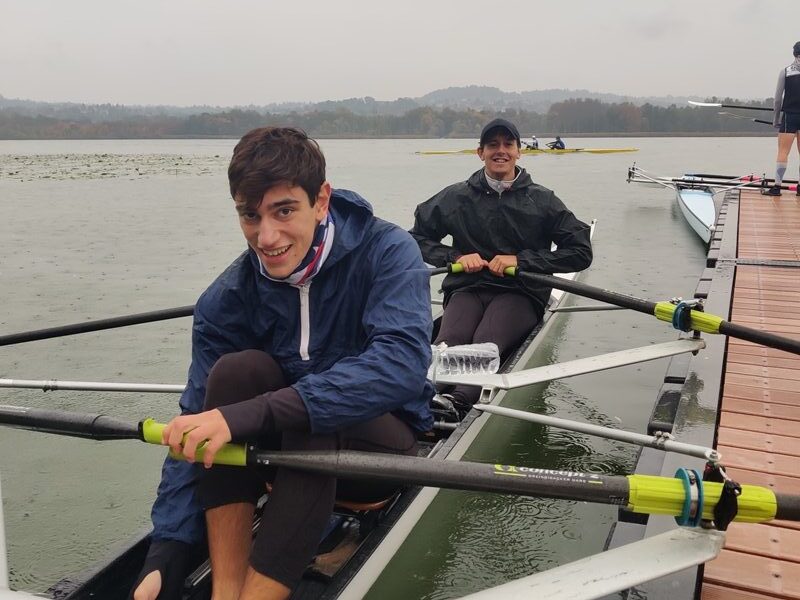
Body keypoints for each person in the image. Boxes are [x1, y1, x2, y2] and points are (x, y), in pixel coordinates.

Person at [132, 127, 434, 600]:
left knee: (311, 414)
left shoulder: (389, 250)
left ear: (321, 200)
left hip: (380, 451)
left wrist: (253, 415)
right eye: (250, 215)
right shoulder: (226, 298)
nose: (266, 236)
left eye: (284, 211)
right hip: (278, 452)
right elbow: (195, 421)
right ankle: (228, 588)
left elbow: (401, 364)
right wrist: (167, 549)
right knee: (235, 373)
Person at [409, 118, 592, 418]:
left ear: (519, 152)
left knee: (486, 341)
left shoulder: (542, 200)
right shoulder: (455, 197)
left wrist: (521, 261)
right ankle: (420, 395)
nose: (500, 151)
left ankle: (457, 402)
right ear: (480, 153)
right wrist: (454, 257)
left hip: (520, 292)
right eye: (492, 145)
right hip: (468, 287)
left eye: (508, 144)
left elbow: (581, 252)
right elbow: (415, 238)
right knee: (449, 340)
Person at [766, 40, 800, 196]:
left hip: (789, 116)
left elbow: (777, 100)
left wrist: (775, 119)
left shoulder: (785, 72)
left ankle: (777, 187)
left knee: (783, 152)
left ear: (794, 54)